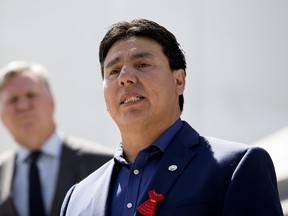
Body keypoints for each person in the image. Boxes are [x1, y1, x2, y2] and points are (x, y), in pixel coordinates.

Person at [60, 19, 284, 216]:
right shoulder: (77, 198)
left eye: (142, 65)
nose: (125, 78)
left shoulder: (235, 168)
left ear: (179, 81)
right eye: (114, 71)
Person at [0, 61, 114, 216]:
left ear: (51, 101)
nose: (23, 106)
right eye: (12, 100)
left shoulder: (105, 164)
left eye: (31, 95)